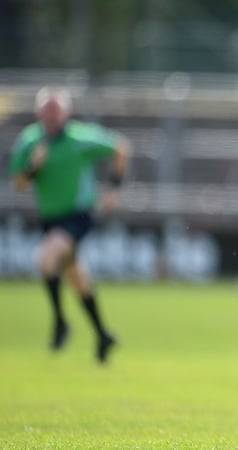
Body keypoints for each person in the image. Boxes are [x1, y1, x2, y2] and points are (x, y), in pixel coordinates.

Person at [8, 86, 129, 364]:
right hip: (50, 218)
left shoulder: (79, 137)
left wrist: (113, 188)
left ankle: (60, 322)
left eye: (56, 110)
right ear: (39, 112)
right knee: (75, 276)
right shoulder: (30, 142)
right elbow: (18, 183)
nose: (51, 115)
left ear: (66, 112)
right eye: (47, 110)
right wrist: (33, 168)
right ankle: (102, 334)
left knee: (45, 259)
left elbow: (120, 147)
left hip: (77, 215)